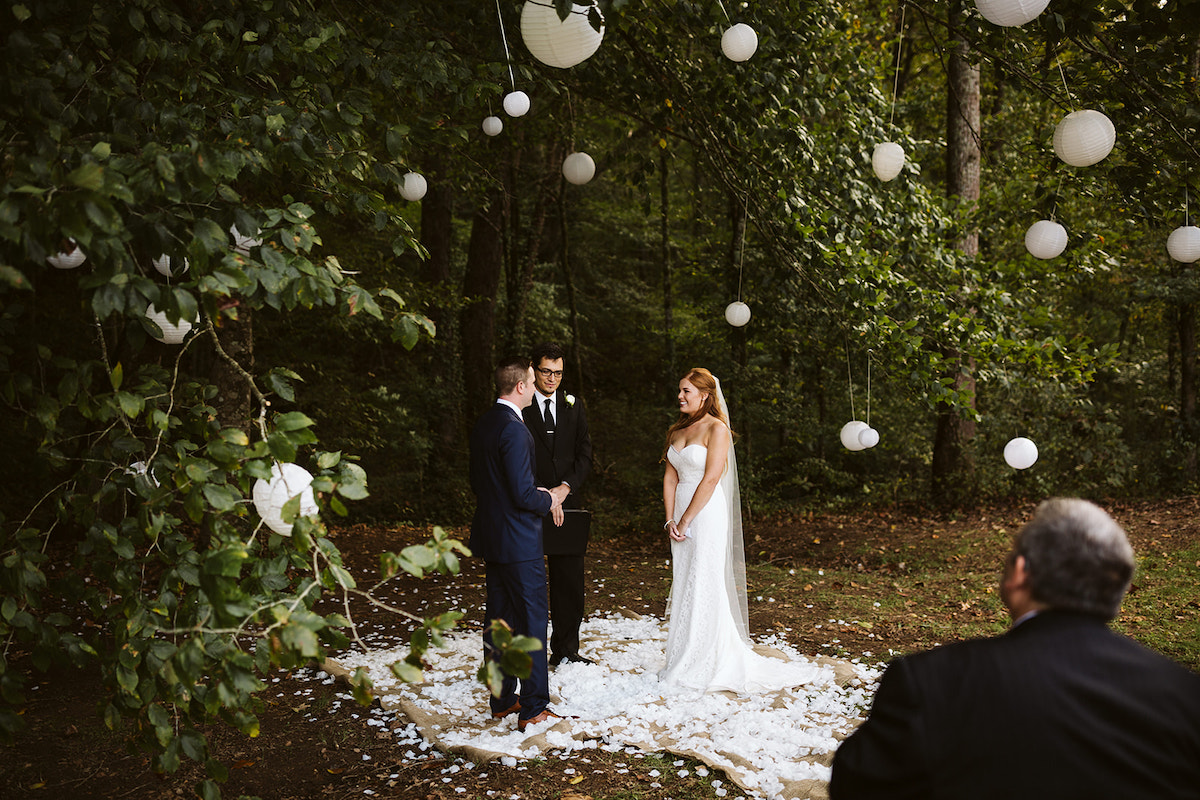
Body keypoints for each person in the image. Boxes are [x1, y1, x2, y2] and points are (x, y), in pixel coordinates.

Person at [830, 497, 1200, 799]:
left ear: (1019, 572)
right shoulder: (1186, 695)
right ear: (1116, 594)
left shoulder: (929, 682)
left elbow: (856, 786)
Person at [660, 367, 819, 693]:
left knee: (704, 578)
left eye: (686, 391)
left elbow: (711, 477)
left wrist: (687, 519)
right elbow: (670, 477)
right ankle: (682, 656)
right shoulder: (677, 430)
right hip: (679, 514)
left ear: (704, 395)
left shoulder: (717, 429)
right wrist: (670, 520)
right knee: (686, 577)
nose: (680, 396)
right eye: (680, 390)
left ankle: (708, 657)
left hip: (704, 513)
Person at [468, 357, 567, 731]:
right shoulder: (514, 428)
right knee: (531, 622)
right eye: (532, 379)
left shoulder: (485, 423)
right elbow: (523, 494)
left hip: (494, 537)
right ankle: (534, 707)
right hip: (519, 541)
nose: (539, 384)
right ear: (521, 387)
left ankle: (502, 700)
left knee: (499, 623)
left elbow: (485, 483)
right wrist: (549, 499)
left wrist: (530, 493)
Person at [521, 342, 595, 667]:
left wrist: (564, 488)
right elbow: (514, 456)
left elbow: (585, 453)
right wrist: (542, 493)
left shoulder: (573, 405)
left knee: (569, 582)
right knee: (528, 580)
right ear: (533, 370)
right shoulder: (520, 406)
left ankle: (566, 651)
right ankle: (528, 652)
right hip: (530, 503)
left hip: (568, 503)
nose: (553, 379)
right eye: (547, 371)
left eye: (558, 373)